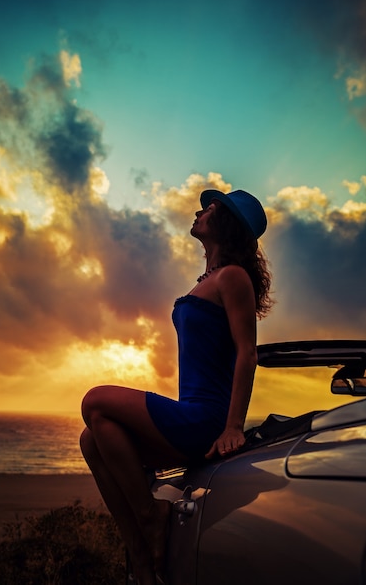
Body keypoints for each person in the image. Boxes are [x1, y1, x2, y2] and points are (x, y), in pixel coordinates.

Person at [80, 188, 273, 585]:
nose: (200, 211)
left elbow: (247, 354)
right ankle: (141, 555)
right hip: (190, 412)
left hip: (206, 418)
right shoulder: (209, 279)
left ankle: (151, 516)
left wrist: (233, 427)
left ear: (227, 225)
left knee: (95, 401)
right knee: (90, 439)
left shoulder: (233, 278)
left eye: (211, 209)